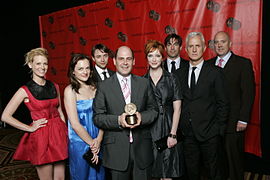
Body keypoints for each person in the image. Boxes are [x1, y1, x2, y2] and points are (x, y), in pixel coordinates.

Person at [1, 47, 68, 180]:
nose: (42, 67)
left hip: (58, 133)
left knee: (60, 178)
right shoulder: (24, 90)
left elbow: (59, 110)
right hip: (41, 135)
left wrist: (65, 131)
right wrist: (29, 128)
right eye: (38, 63)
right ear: (31, 65)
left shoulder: (54, 86)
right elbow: (5, 116)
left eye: (45, 63)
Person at [93, 46, 158, 180]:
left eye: (129, 59)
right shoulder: (104, 86)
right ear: (114, 61)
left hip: (142, 150)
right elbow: (98, 117)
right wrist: (118, 120)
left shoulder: (144, 83)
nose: (125, 62)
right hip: (116, 152)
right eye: (121, 59)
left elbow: (154, 110)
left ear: (134, 61)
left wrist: (142, 117)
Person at [173, 32, 229, 180]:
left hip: (210, 134)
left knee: (213, 172)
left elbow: (223, 103)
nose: (194, 49)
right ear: (185, 49)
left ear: (204, 47)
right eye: (191, 46)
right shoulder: (179, 74)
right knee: (192, 173)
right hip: (188, 135)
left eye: (198, 45)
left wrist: (218, 131)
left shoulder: (215, 72)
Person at [208, 31, 255, 180]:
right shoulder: (208, 64)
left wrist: (243, 119)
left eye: (222, 41)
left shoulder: (243, 63)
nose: (219, 45)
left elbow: (248, 93)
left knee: (234, 161)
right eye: (216, 42)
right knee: (217, 160)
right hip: (213, 123)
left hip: (234, 123)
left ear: (230, 44)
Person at [143, 40, 185, 180]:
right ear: (146, 58)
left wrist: (173, 134)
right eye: (150, 55)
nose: (154, 59)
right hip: (149, 130)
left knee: (168, 170)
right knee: (153, 170)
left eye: (157, 55)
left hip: (168, 127)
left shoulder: (172, 78)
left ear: (162, 57)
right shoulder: (142, 81)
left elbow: (177, 108)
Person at [64, 53, 105, 180]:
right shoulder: (70, 91)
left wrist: (98, 140)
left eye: (87, 68)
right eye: (80, 69)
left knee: (99, 174)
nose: (85, 72)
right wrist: (92, 144)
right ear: (73, 71)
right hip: (80, 142)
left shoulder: (96, 88)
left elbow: (103, 116)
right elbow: (75, 124)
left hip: (98, 139)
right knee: (81, 175)